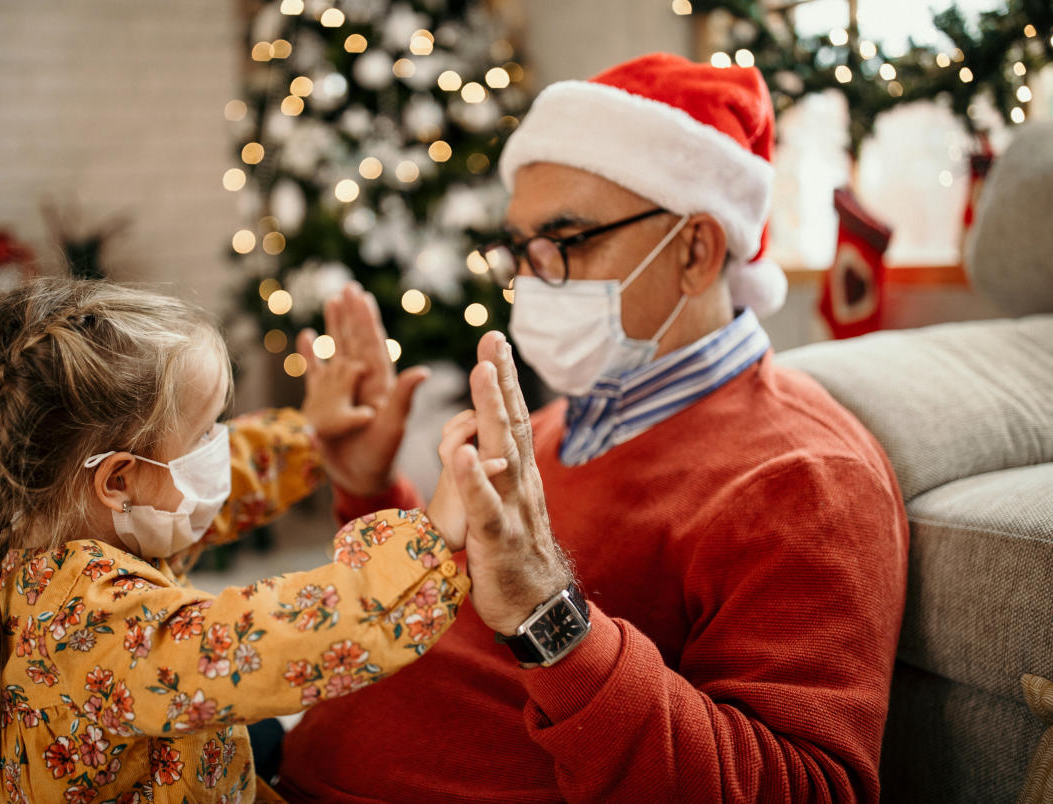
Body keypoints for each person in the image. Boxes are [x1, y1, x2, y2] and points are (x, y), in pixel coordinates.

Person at [278, 53, 908, 802]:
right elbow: (447, 628)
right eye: (520, 249)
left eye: (565, 243)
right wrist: (367, 490)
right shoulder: (548, 426)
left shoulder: (803, 476)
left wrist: (554, 622)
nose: (529, 279)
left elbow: (809, 788)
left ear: (696, 250)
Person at [0, 277, 488, 803]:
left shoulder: (66, 526)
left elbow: (222, 479)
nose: (219, 446)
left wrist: (309, 435)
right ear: (119, 481)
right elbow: (265, 641)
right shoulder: (94, 619)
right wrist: (429, 540)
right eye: (205, 433)